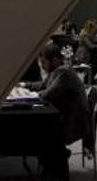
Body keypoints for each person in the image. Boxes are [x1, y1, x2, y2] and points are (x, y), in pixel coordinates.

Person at [26, 43, 89, 180]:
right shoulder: (56, 71)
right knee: (39, 131)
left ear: (54, 60)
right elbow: (42, 85)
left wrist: (26, 96)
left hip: (72, 121)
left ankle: (55, 161)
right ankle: (53, 162)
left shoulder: (63, 72)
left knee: (39, 133)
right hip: (65, 116)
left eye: (44, 62)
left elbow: (47, 94)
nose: (42, 66)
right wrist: (25, 85)